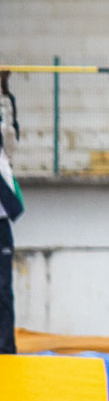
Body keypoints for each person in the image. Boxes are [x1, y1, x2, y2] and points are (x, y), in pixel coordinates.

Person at [0, 71, 23, 355]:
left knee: (3, 290)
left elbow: (11, 140)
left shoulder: (5, 149)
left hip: (2, 220)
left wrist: (4, 96)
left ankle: (6, 350)